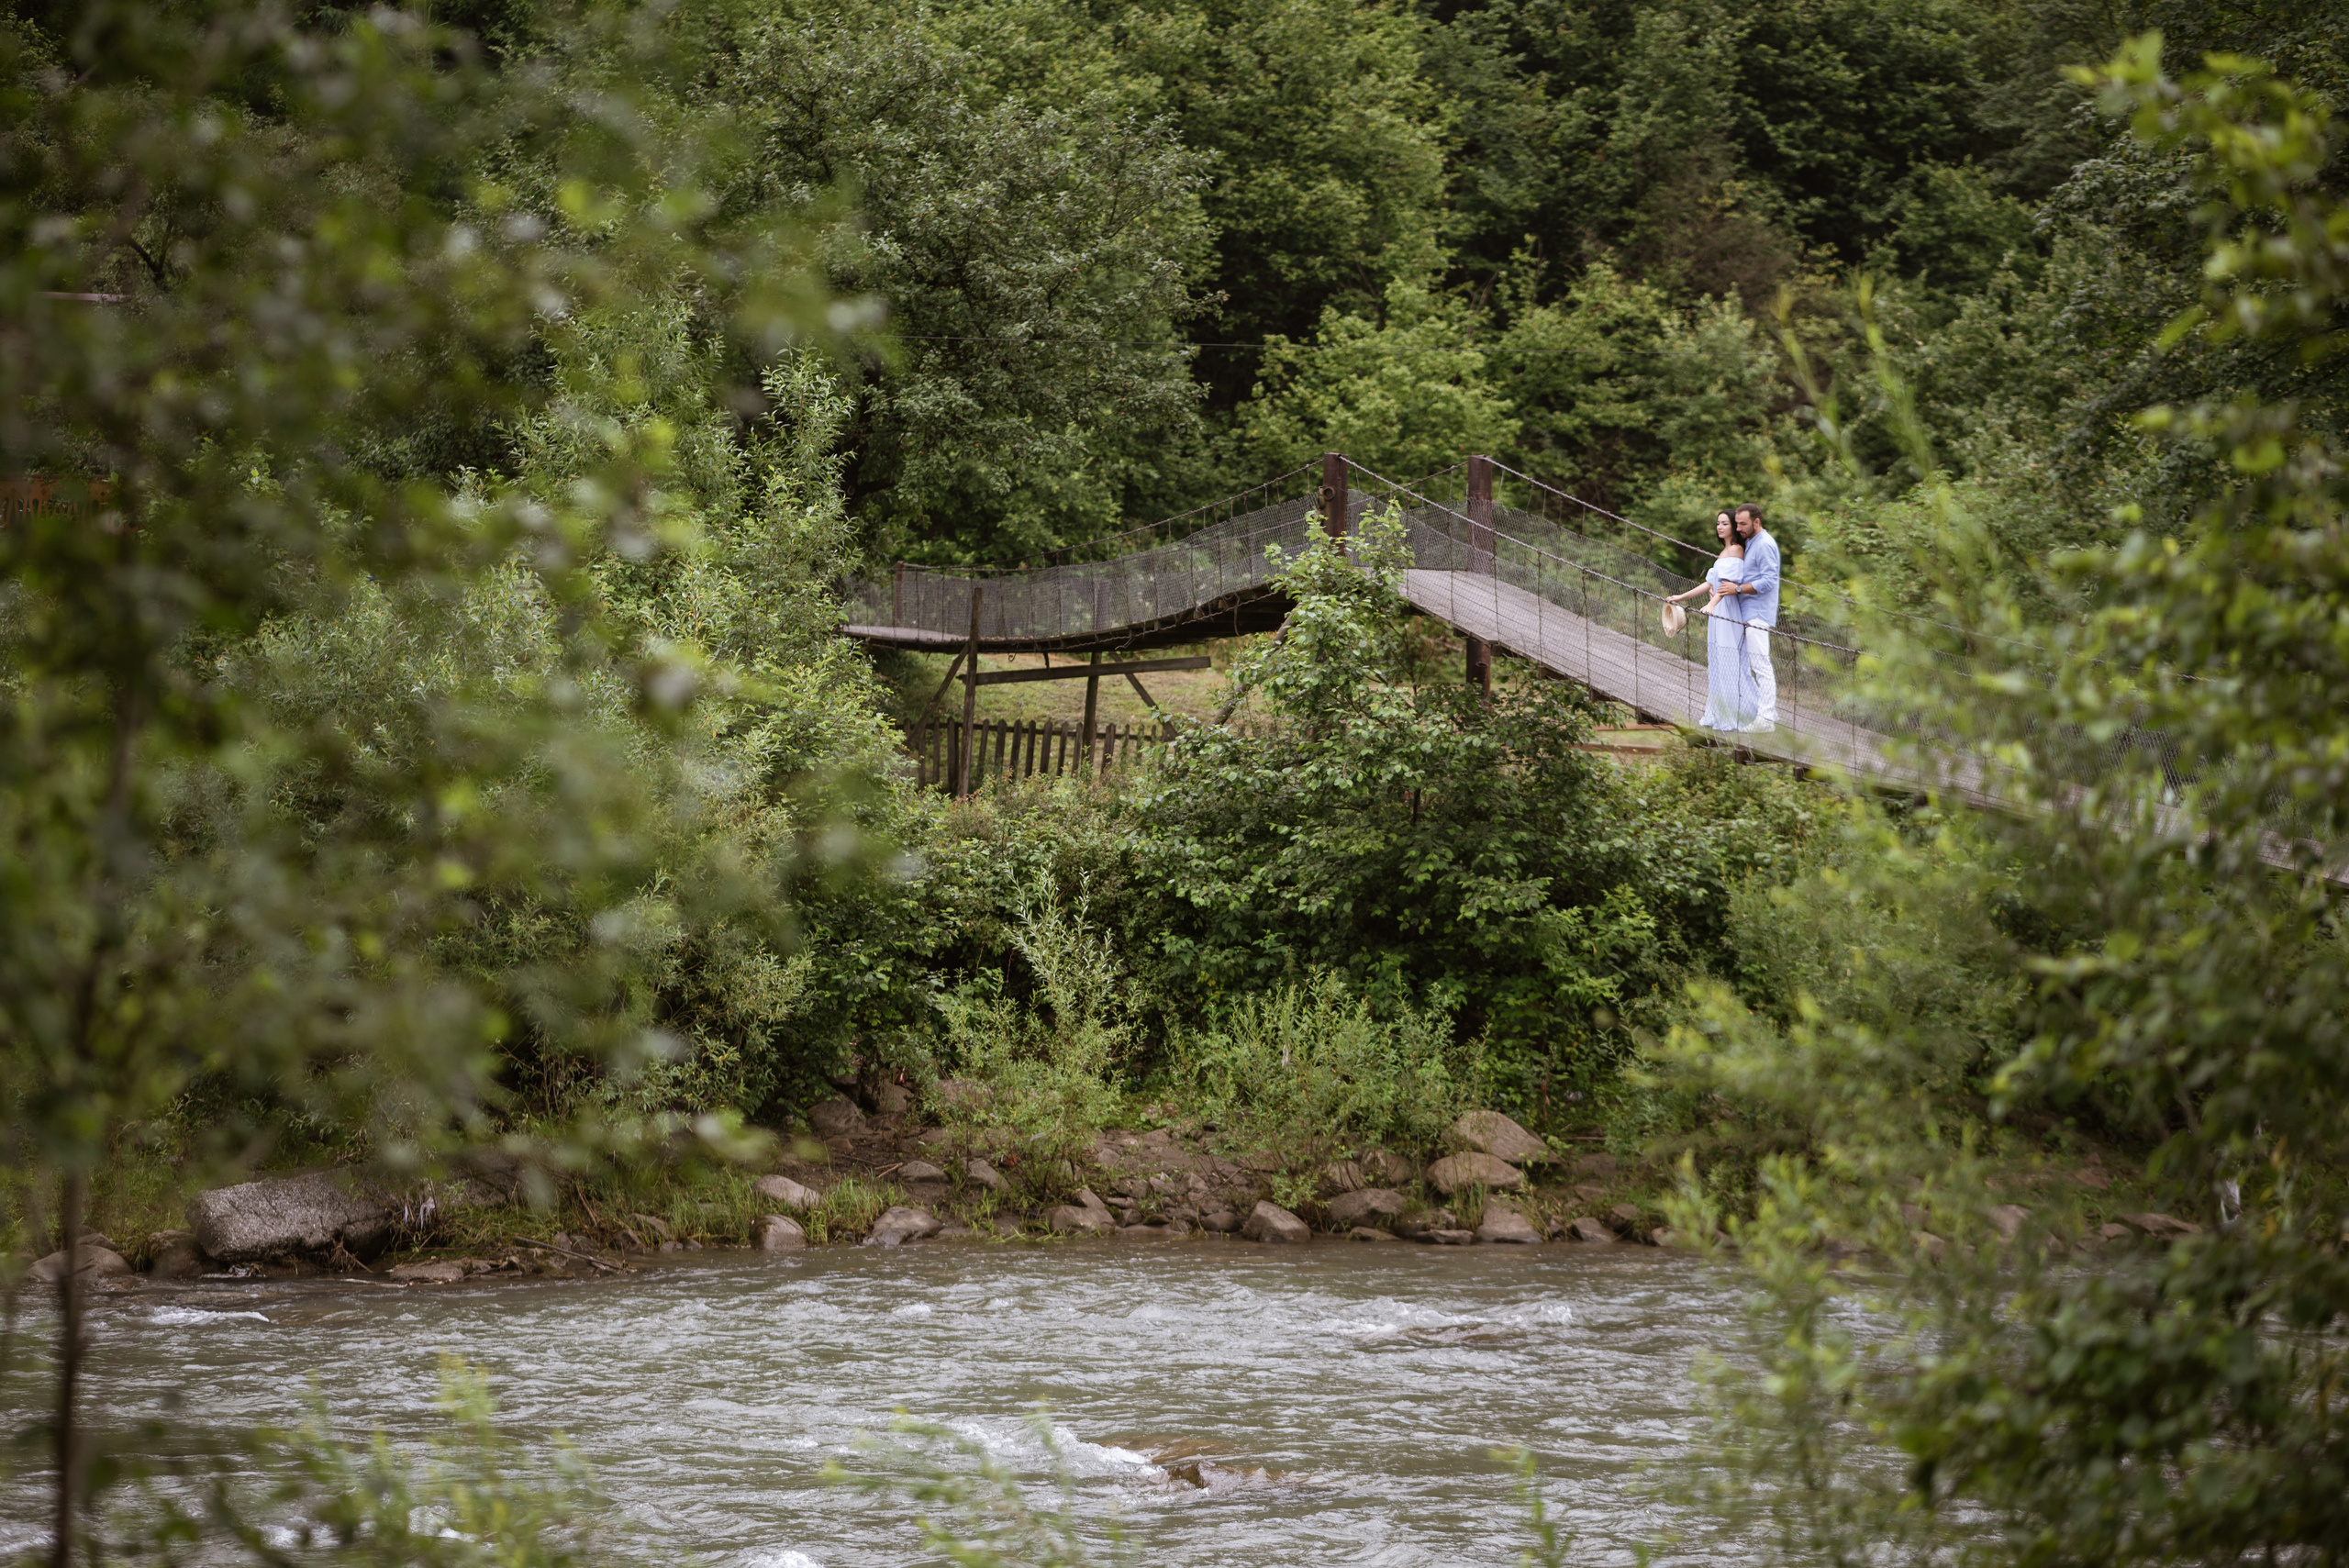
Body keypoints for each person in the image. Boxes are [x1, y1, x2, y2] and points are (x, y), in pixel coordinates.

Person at [1665, 509, 1759, 731]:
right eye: (1718, 523)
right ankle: (1722, 711)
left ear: (1734, 527)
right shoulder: (1723, 552)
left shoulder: (1736, 550)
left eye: (1724, 523)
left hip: (1727, 611)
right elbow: (1710, 584)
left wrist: (1712, 604)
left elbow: (1727, 584)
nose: (1719, 527)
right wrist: (1681, 596)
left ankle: (1743, 712)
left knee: (1730, 658)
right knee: (1718, 659)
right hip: (1718, 613)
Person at [1721, 502, 1779, 729]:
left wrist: (1737, 589)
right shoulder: (1751, 542)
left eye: (1743, 524)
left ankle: (1765, 719)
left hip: (1758, 613)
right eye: (1737, 524)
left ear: (1757, 521)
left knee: (1760, 665)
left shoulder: (1764, 544)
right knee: (1749, 665)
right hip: (1748, 612)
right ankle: (1760, 714)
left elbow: (1769, 581)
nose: (1739, 528)